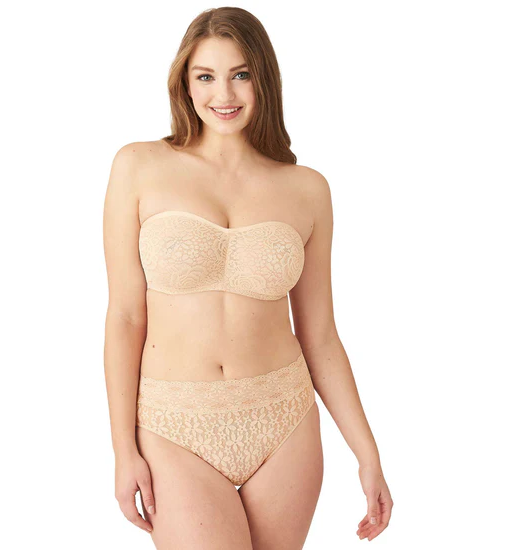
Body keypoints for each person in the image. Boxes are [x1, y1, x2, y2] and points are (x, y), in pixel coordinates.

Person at [103, 7, 393, 549]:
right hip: (174, 425)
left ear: (263, 79)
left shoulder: (307, 189)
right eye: (205, 76)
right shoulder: (139, 167)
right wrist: (123, 449)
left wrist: (367, 454)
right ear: (185, 84)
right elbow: (124, 317)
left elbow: (320, 335)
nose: (224, 93)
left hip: (284, 420)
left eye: (240, 74)